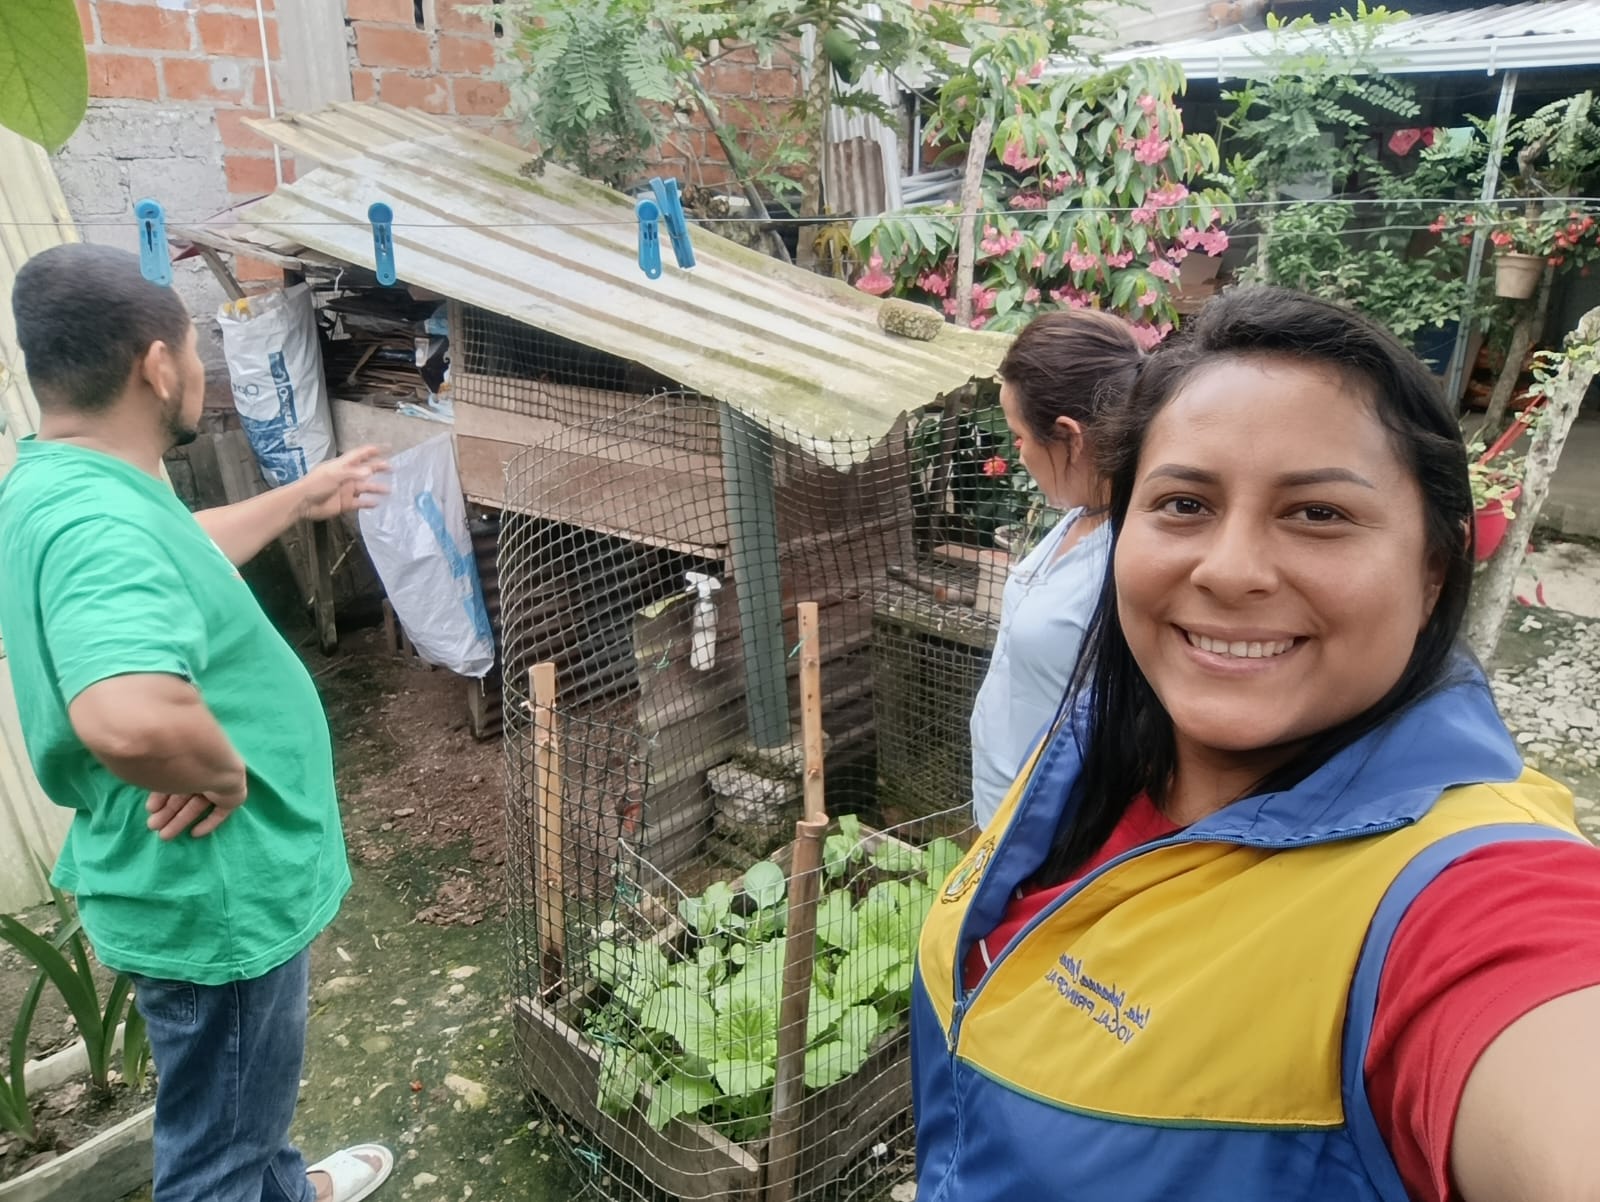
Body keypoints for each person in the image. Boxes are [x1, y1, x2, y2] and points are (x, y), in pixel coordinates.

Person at [912, 287, 1600, 1202]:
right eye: (1184, 503)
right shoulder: (1095, 744)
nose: (1231, 571)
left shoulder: (1464, 897)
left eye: (1318, 514)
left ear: (1433, 571)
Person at [0, 243, 395, 1202]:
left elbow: (172, 549)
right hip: (214, 890)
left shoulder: (61, 482)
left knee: (244, 1105)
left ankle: (287, 1190)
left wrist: (300, 498)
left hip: (190, 885)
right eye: (192, 347)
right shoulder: (98, 523)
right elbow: (128, 717)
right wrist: (221, 772)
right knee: (214, 1160)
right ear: (158, 366)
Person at [968, 310, 1141, 829]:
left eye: (1019, 436)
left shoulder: (1130, 559)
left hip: (1050, 828)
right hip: (1006, 803)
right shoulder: (1084, 510)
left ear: (1069, 437)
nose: (1017, 453)